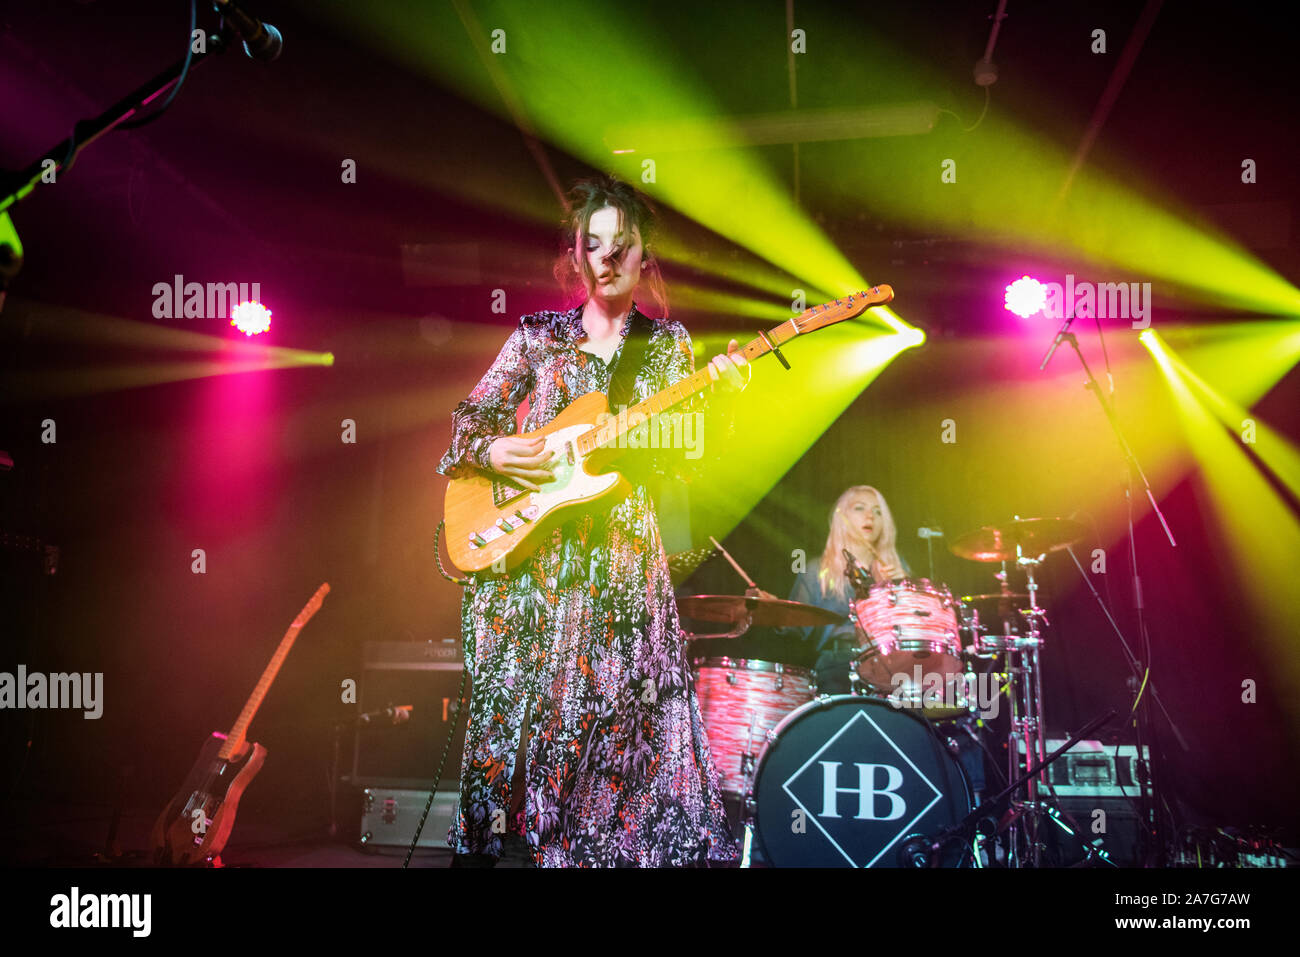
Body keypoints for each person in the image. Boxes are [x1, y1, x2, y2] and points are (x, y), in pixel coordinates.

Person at [435, 174, 748, 867]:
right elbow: (466, 421)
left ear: (643, 258)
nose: (606, 258)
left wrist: (721, 404)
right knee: (518, 724)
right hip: (536, 561)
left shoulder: (667, 347)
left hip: (621, 562)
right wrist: (494, 448)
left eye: (622, 245)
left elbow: (689, 459)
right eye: (592, 244)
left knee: (621, 730)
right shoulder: (537, 338)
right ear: (575, 256)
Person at [783, 485, 909, 695]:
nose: (870, 516)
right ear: (842, 517)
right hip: (838, 663)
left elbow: (918, 627)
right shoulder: (817, 570)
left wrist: (902, 588)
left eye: (878, 512)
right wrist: (771, 608)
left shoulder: (897, 566)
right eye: (860, 508)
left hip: (892, 662)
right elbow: (795, 626)